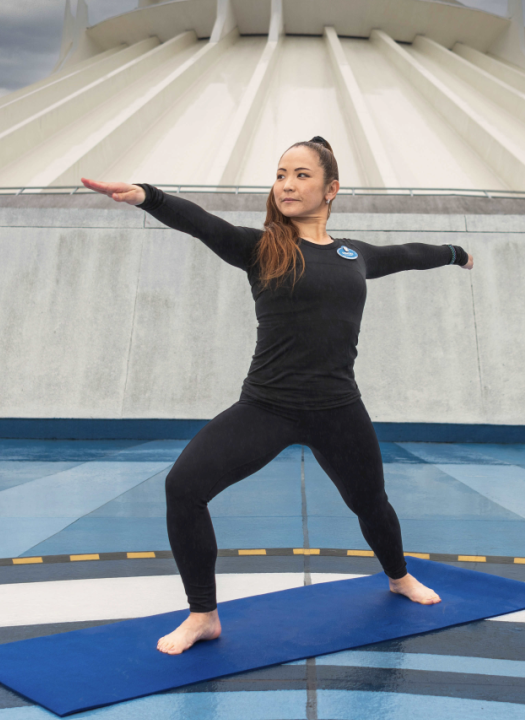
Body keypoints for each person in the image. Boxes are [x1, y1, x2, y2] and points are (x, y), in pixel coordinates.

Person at [82, 137, 475, 654]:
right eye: (281, 174)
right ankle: (203, 615)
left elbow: (407, 255)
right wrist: (146, 196)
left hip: (338, 408)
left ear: (331, 189)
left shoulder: (353, 254)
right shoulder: (261, 248)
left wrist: (456, 254)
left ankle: (399, 577)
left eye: (302, 175)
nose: (287, 184)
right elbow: (202, 222)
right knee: (183, 488)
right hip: (267, 406)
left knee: (370, 503)